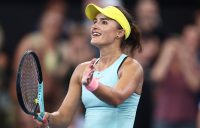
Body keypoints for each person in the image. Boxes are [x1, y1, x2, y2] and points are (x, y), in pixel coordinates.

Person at [34, 3, 143, 128]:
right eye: (95, 21)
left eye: (104, 22)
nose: (95, 26)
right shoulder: (81, 70)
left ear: (119, 33)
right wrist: (50, 118)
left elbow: (117, 98)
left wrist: (92, 84)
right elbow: (63, 117)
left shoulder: (131, 67)